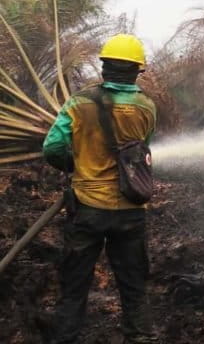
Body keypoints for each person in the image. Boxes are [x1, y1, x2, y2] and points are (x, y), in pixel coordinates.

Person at [43, 33, 158, 344]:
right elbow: (140, 151)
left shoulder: (79, 103)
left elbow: (52, 147)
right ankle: (139, 336)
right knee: (133, 283)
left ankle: (66, 338)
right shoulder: (147, 107)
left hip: (87, 209)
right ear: (137, 70)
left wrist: (75, 163)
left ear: (104, 66)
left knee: (75, 283)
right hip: (130, 211)